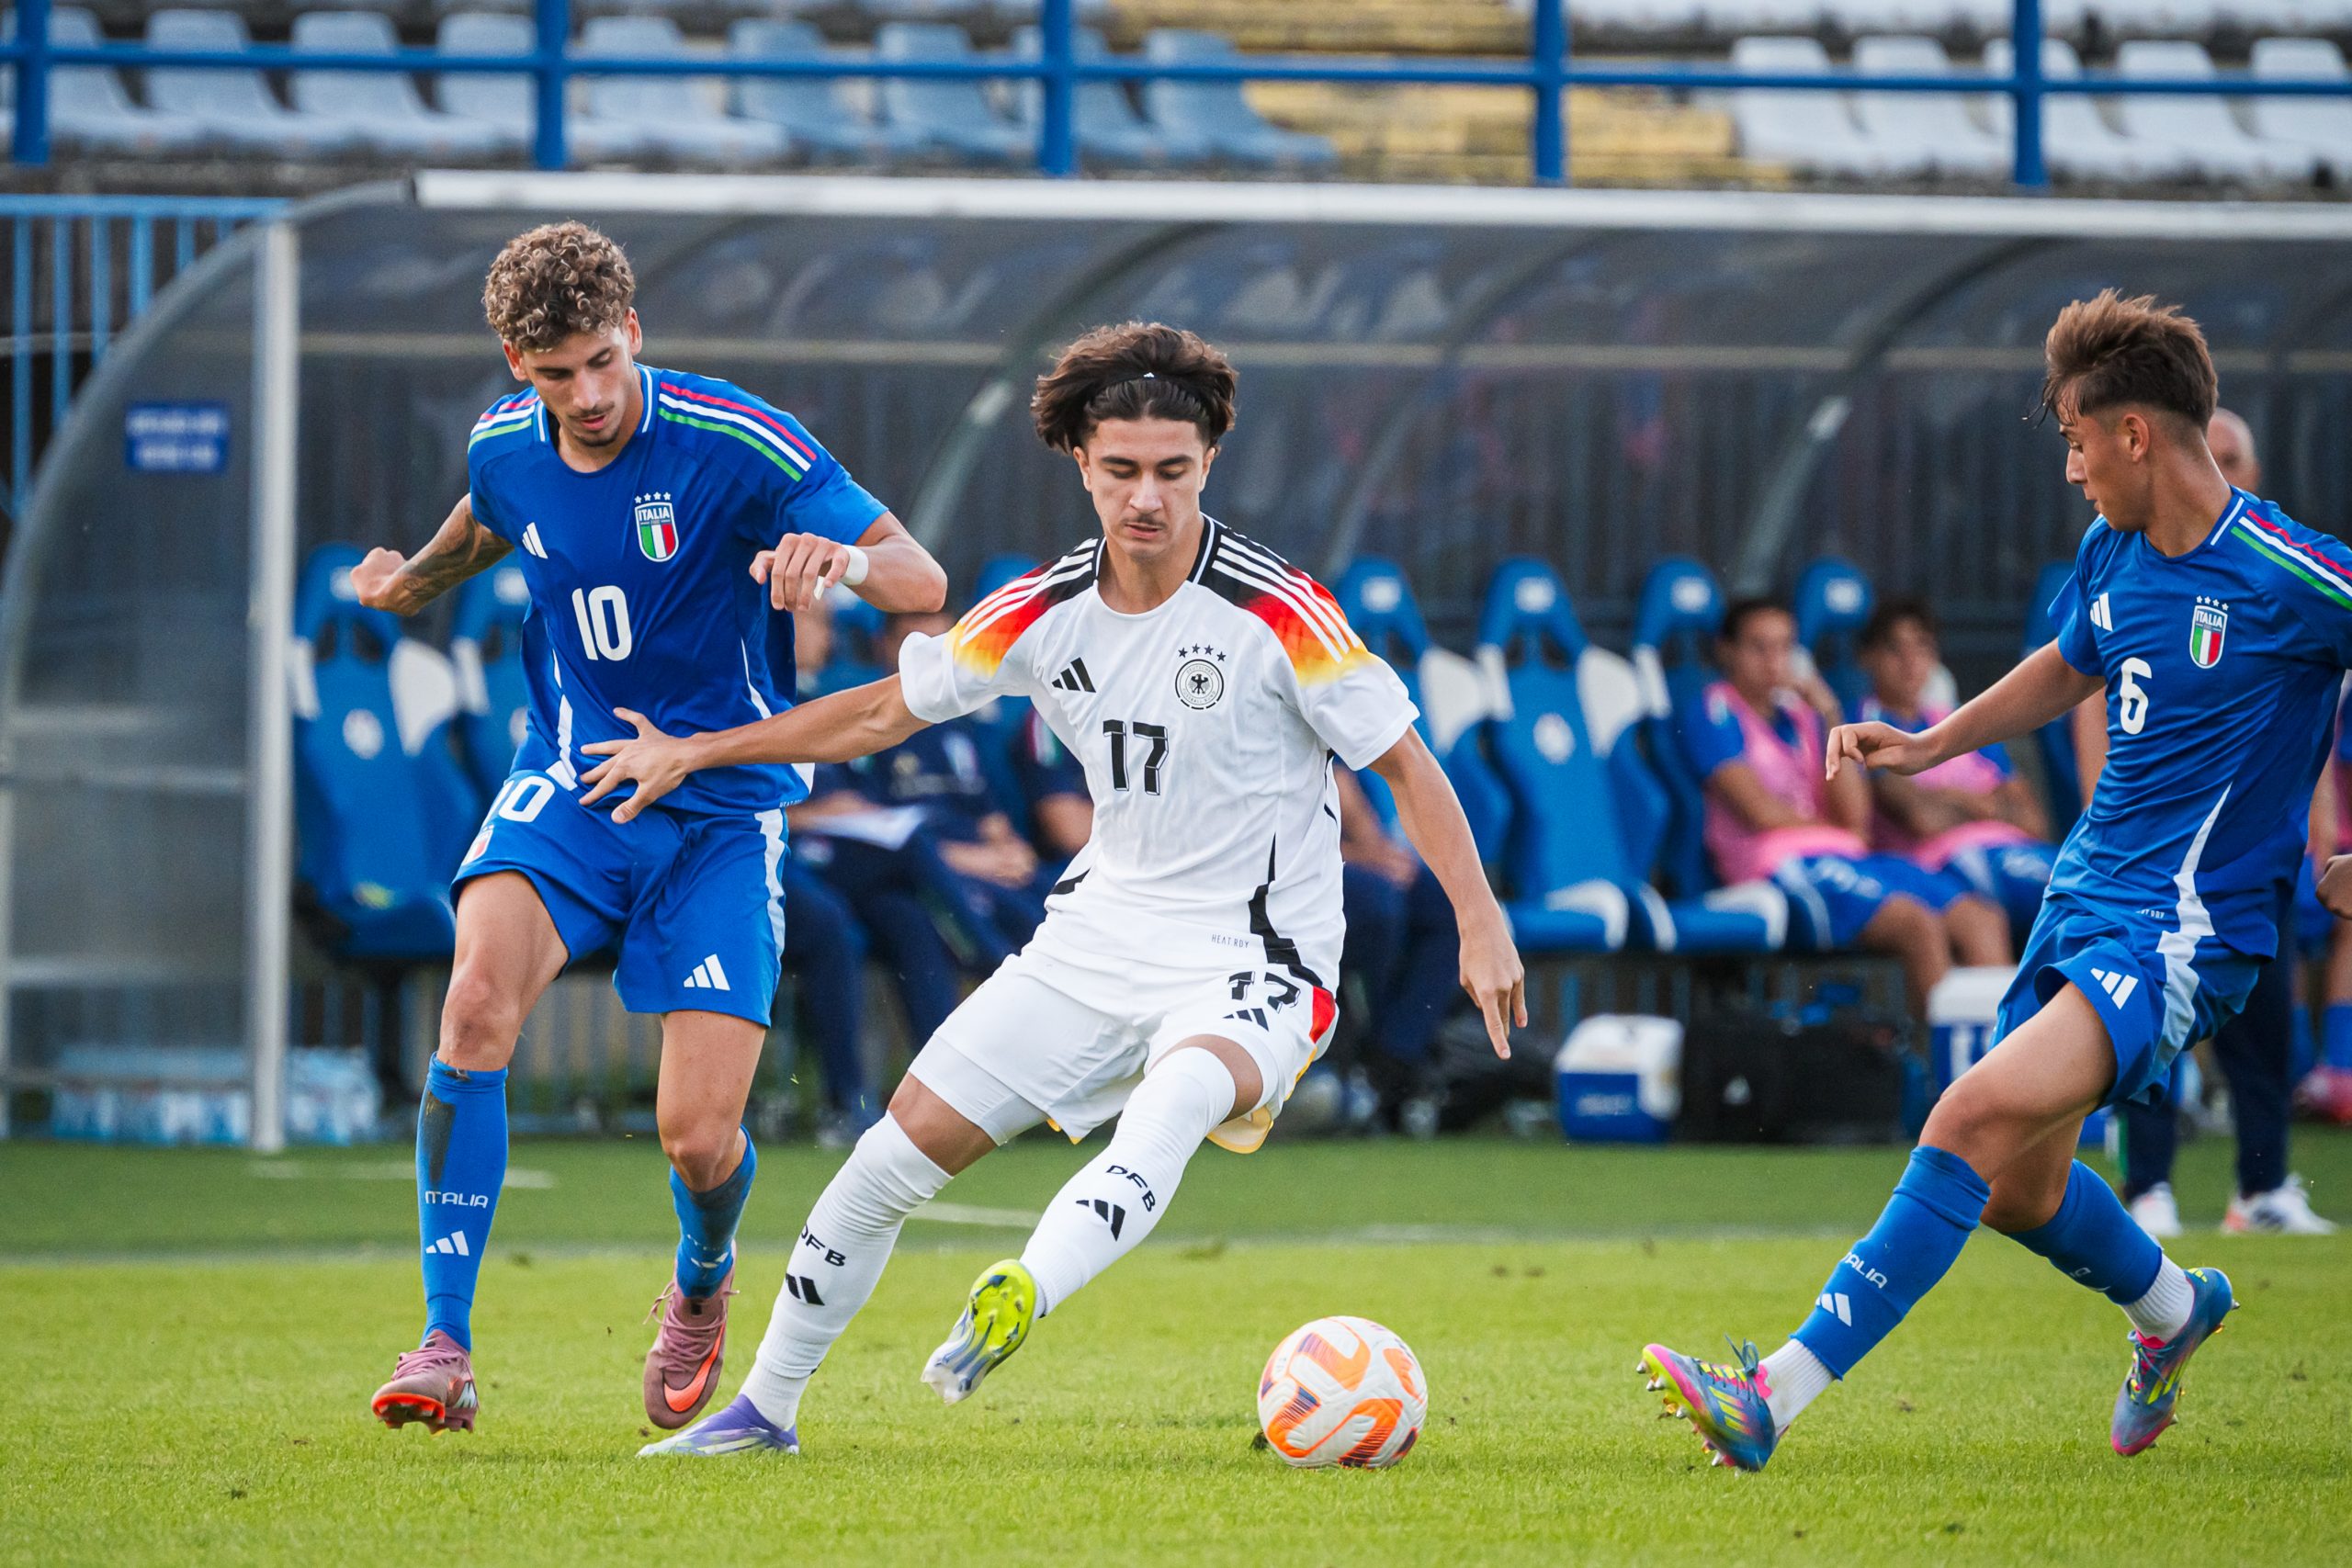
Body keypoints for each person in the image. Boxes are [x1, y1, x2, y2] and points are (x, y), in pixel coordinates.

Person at [588, 321, 1526, 1458]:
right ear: (1081, 462)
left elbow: (1404, 763)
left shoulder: (1281, 611)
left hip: (1256, 961)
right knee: (884, 1163)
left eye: (1172, 473)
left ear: (1207, 466)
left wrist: (1480, 920)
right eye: (1122, 470)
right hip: (1093, 938)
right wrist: (699, 750)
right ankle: (762, 1413)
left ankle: (1023, 1287)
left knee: (1175, 1101)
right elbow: (886, 710)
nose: (1147, 499)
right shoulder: (1041, 609)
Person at [1642, 290, 2352, 1473]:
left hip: (2187, 928)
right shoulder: (2111, 550)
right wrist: (1926, 745)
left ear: (2134, 433)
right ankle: (2178, 1312)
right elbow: (2065, 664)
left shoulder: (2293, 575)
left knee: (1963, 1115)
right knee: (2023, 1189)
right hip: (2083, 901)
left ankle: (1770, 1390)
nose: (2069, 467)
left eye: (2075, 438)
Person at [356, 222, 946, 1438]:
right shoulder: (507, 447)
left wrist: (839, 558)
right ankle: (444, 1341)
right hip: (572, 781)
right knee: (473, 1004)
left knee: (697, 1132)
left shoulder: (736, 440)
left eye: (602, 363)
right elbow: (482, 528)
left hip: (721, 811)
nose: (587, 394)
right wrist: (407, 581)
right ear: (518, 363)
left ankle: (702, 1273)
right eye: (556, 372)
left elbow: (922, 580)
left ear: (635, 333)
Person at [2109, 408, 2336, 1237]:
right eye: (2213, 453)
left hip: (2250, 860)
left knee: (2262, 1024)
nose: (2224, 470)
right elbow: (2083, 685)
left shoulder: (2287, 574)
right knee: (2142, 1029)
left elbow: (2302, 727)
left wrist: (2328, 834)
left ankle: (2263, 1188)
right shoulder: (2129, 557)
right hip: (2149, 858)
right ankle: (2148, 1188)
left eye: (2236, 456)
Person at [1681, 596, 2009, 1019]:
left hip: (1844, 855)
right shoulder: (1714, 709)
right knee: (1916, 926)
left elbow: (1854, 819)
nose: (1772, 661)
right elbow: (1760, 811)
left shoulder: (1805, 718)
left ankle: (1999, 1064)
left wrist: (1828, 713)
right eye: (1758, 647)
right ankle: (1948, 1079)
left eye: (1783, 648)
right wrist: (1827, 826)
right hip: (1779, 861)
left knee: (1981, 919)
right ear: (1726, 651)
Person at [1854, 598, 2058, 939]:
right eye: (1894, 649)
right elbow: (1923, 819)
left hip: (2016, 850)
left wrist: (1947, 799)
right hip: (1944, 861)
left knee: (2106, 892)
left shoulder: (1962, 723)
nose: (1910, 662)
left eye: (1921, 648)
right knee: (2073, 904)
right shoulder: (1863, 725)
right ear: (1868, 657)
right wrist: (1981, 803)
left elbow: (2034, 822)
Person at [1333, 766, 1464, 1118]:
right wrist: (1356, 856)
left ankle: (1393, 1060)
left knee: (1445, 906)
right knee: (1379, 905)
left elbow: (1339, 781)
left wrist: (1378, 852)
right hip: (1282, 872)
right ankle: (1347, 1054)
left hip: (1342, 860)